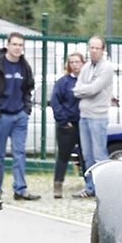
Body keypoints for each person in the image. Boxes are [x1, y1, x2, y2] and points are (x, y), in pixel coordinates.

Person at [0, 31, 39, 200]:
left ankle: (20, 189)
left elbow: (28, 88)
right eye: (15, 44)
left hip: (20, 115)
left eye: (20, 45)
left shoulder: (24, 66)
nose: (18, 48)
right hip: (1, 116)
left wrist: (26, 109)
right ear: (8, 45)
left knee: (19, 153)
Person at [72, 36, 114, 198]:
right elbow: (77, 89)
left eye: (97, 48)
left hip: (98, 116)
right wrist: (84, 89)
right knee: (87, 155)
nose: (94, 51)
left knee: (99, 155)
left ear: (102, 50)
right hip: (84, 115)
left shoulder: (106, 68)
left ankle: (103, 189)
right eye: (92, 47)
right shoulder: (86, 67)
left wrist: (83, 89)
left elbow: (94, 89)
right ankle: (90, 187)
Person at [50, 52, 85, 199]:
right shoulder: (63, 82)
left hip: (84, 123)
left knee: (85, 156)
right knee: (63, 156)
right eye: (72, 62)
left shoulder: (87, 81)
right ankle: (58, 185)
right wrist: (63, 121)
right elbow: (55, 101)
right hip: (68, 125)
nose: (75, 65)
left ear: (83, 63)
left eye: (77, 62)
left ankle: (90, 185)